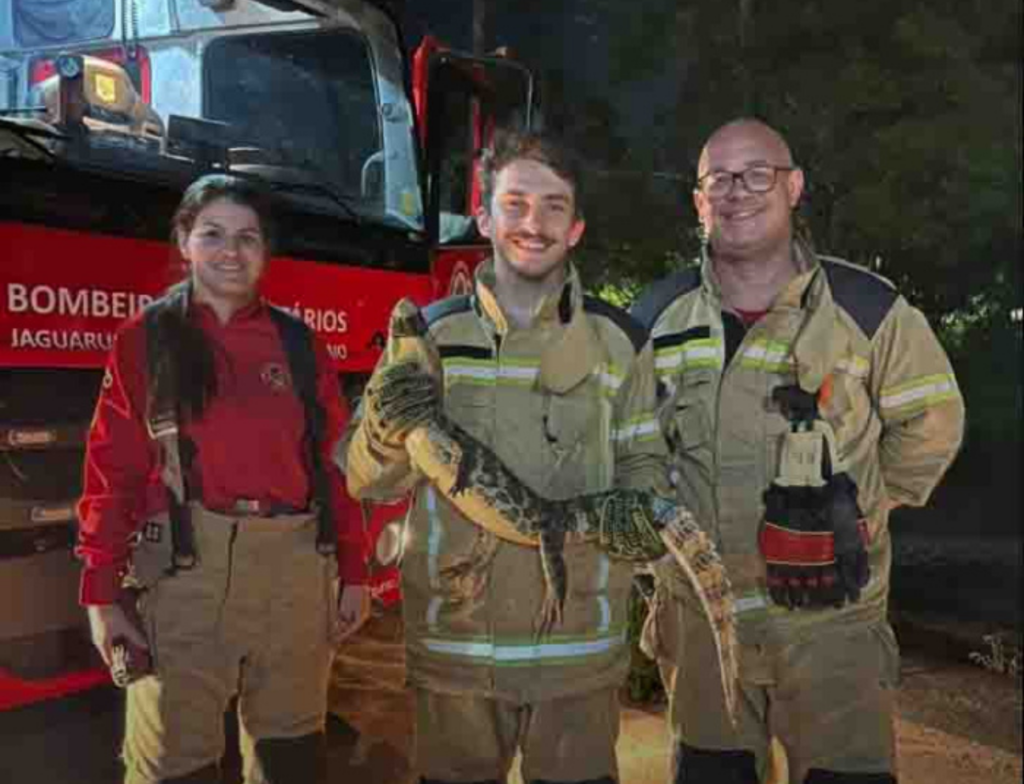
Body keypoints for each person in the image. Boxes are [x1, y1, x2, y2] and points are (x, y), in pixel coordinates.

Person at [631, 118, 965, 784]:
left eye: (757, 174)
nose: (737, 192)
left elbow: (932, 425)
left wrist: (865, 507)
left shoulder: (868, 309)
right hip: (703, 634)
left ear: (794, 187)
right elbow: (625, 451)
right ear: (699, 201)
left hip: (832, 629)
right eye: (717, 179)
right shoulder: (654, 317)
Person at [344, 131, 666, 784]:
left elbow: (646, 470)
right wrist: (381, 427)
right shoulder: (431, 337)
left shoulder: (620, 343)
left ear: (576, 228)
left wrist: (638, 525)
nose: (533, 223)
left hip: (577, 655)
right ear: (484, 217)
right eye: (515, 203)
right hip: (459, 652)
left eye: (553, 206)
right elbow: (366, 480)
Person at [76, 173, 370, 784]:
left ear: (266, 253)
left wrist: (355, 572)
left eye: (247, 238)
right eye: (212, 234)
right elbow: (113, 471)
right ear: (184, 240)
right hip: (186, 577)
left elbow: (337, 465)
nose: (230, 253)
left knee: (292, 758)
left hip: (294, 574)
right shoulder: (144, 339)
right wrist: (102, 594)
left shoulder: (299, 344)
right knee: (171, 767)